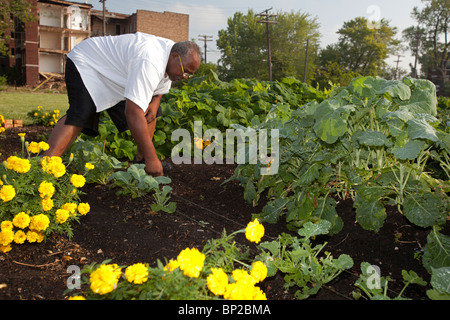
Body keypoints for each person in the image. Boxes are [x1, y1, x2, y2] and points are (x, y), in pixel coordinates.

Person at [43, 32, 201, 176]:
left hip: (118, 75)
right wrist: (154, 159)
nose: (185, 76)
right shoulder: (150, 59)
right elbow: (132, 112)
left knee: (150, 112)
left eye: (189, 74)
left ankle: (141, 161)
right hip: (88, 63)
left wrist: (155, 100)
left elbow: (158, 88)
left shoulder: (172, 58)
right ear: (174, 56)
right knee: (81, 114)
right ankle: (45, 168)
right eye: (185, 71)